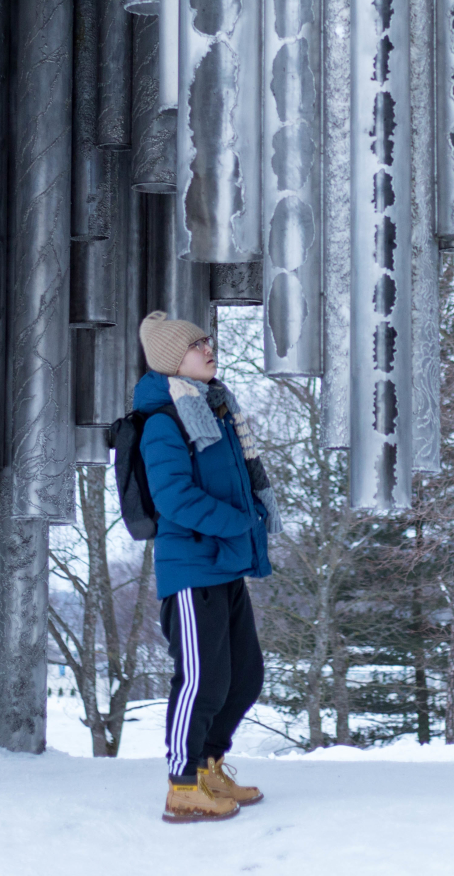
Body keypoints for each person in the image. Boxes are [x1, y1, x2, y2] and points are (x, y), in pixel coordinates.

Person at [134, 311, 276, 823]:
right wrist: (239, 522)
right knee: (201, 680)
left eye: (206, 341)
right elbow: (174, 497)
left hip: (225, 564)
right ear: (174, 361)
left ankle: (210, 763)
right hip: (193, 567)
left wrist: (249, 523)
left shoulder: (215, 409)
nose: (208, 348)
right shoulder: (162, 423)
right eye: (197, 345)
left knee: (244, 677)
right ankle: (183, 783)